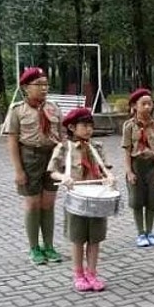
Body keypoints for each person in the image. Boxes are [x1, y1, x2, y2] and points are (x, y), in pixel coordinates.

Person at [48, 108, 116, 292]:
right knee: (78, 239)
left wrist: (109, 177)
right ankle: (78, 274)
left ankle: (92, 273)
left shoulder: (96, 147)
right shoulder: (64, 147)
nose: (89, 130)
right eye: (84, 126)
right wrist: (63, 177)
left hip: (96, 198)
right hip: (76, 200)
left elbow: (105, 170)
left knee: (95, 238)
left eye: (90, 126)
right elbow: (52, 171)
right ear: (72, 127)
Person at [6, 67, 64, 265]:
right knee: (32, 204)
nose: (44, 88)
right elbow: (12, 141)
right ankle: (34, 248)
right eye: (38, 84)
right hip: (30, 157)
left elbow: (62, 136)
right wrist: (18, 170)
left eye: (46, 84)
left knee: (48, 203)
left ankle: (49, 246)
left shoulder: (54, 108)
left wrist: (64, 161)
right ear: (26, 87)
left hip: (52, 158)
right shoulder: (17, 110)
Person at [122, 88, 154, 247]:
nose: (148, 107)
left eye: (150, 103)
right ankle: (140, 233)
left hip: (153, 165)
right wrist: (129, 171)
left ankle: (150, 231)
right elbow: (127, 150)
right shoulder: (129, 126)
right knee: (136, 200)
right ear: (135, 106)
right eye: (144, 104)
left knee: (152, 200)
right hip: (137, 165)